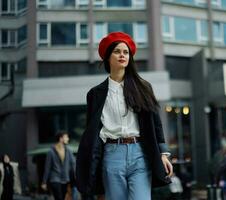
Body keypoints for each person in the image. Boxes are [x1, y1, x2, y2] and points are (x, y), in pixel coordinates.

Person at [76, 31, 173, 200]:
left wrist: (163, 153)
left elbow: (155, 123)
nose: (122, 55)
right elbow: (92, 132)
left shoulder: (143, 87)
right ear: (107, 57)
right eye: (117, 51)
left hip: (140, 153)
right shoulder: (95, 94)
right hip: (112, 155)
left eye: (126, 52)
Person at [41, 130, 76, 200]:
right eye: (66, 137)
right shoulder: (51, 151)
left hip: (65, 179)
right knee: (59, 198)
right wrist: (44, 182)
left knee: (62, 198)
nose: (68, 139)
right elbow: (47, 167)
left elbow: (73, 164)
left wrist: (76, 176)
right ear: (61, 138)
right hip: (55, 179)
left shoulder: (68, 151)